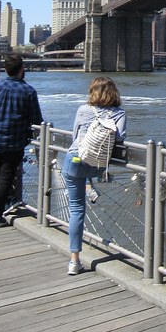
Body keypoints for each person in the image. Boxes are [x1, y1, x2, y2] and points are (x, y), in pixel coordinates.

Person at [61, 77, 126, 275]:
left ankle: (74, 261)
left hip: (74, 162)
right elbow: (121, 139)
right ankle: (92, 186)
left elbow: (75, 137)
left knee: (76, 210)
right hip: (97, 166)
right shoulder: (119, 113)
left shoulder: (83, 109)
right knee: (93, 174)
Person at [0, 53, 43, 228]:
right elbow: (36, 119)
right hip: (14, 141)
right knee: (6, 177)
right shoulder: (28, 91)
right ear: (21, 70)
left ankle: (9, 197)